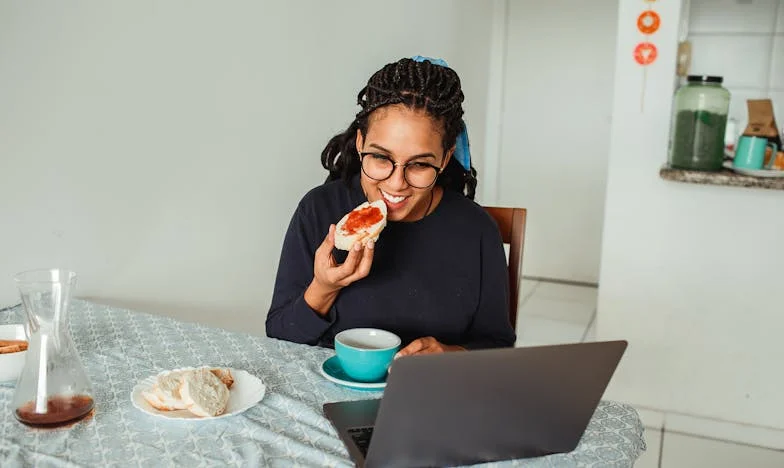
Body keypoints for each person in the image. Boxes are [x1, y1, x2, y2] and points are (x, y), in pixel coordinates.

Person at [266, 56, 516, 357]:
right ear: (360, 143)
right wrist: (324, 287)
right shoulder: (319, 209)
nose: (396, 184)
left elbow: (497, 346)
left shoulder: (477, 230)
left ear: (445, 158)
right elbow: (279, 335)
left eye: (420, 164)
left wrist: (450, 354)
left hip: (428, 396)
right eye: (381, 158)